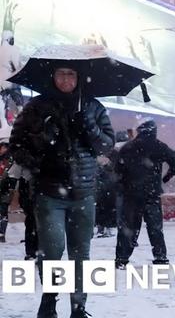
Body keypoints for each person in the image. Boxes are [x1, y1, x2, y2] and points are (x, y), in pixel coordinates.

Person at [9, 65, 114, 318]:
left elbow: (106, 145)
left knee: (81, 253)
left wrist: (87, 123)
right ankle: (49, 300)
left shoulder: (92, 106)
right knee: (52, 251)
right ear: (52, 77)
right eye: (60, 74)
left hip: (84, 192)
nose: (65, 79)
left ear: (78, 77)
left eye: (71, 74)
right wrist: (41, 149)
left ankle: (79, 307)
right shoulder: (36, 107)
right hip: (49, 192)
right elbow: (16, 144)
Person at [115, 120, 175, 268]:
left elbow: (118, 169)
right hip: (151, 193)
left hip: (130, 193)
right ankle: (160, 256)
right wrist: (165, 178)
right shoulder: (159, 146)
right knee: (155, 227)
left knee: (129, 227)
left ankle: (122, 258)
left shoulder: (128, 147)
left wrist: (124, 183)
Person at [94, 131, 127, 238]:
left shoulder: (99, 151)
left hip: (101, 183)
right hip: (112, 183)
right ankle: (108, 227)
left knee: (101, 206)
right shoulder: (116, 152)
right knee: (111, 206)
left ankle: (101, 227)